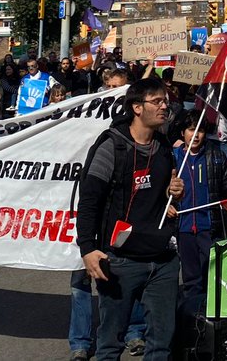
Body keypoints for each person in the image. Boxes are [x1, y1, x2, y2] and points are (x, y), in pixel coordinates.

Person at [75, 78, 184, 361]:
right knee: (110, 345)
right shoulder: (112, 147)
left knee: (161, 343)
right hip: (121, 260)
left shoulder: (164, 147)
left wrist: (174, 193)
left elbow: (163, 198)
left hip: (163, 259)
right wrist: (87, 249)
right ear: (137, 107)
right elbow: (88, 202)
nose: (164, 107)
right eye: (156, 101)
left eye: (166, 101)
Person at [173, 111, 227, 305]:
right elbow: (162, 190)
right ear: (182, 132)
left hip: (209, 227)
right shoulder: (173, 157)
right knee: (191, 279)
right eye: (191, 130)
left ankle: (214, 322)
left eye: (200, 130)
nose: (196, 135)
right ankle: (195, 322)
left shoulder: (216, 155)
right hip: (184, 228)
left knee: (214, 276)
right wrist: (168, 204)